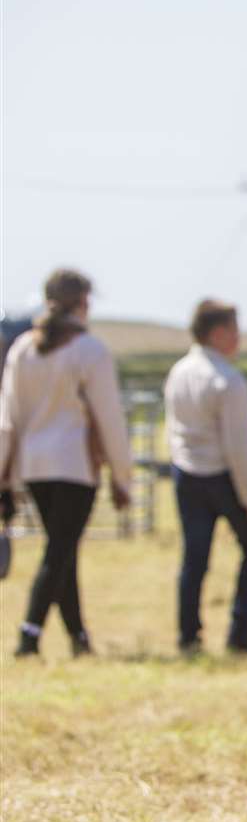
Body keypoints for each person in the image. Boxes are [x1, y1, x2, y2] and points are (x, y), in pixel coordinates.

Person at [0, 268, 132, 657]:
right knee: (59, 551)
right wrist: (122, 475)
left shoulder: (23, 349)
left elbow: (8, 417)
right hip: (75, 465)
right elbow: (110, 418)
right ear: (82, 303)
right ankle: (29, 633)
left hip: (33, 465)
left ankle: (78, 638)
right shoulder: (89, 350)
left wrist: (5, 472)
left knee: (62, 550)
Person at [164, 299, 247, 654]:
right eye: (235, 330)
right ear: (219, 332)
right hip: (223, 476)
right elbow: (237, 448)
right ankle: (239, 633)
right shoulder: (228, 380)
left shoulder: (178, 371)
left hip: (186, 473)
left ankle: (187, 635)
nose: (239, 338)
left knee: (194, 558)